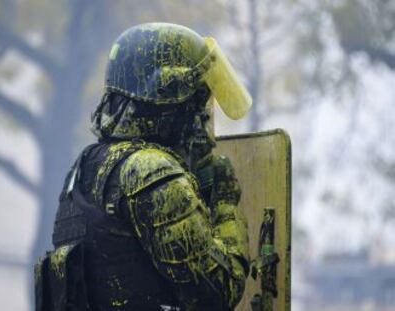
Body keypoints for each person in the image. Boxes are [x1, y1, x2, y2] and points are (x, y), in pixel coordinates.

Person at [35, 22, 252, 311]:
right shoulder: (152, 170)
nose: (201, 118)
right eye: (197, 101)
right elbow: (218, 293)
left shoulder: (84, 167)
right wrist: (225, 202)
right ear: (169, 96)